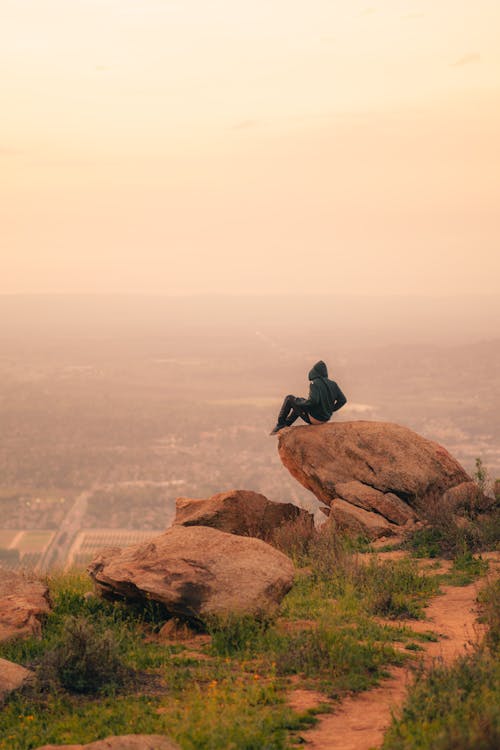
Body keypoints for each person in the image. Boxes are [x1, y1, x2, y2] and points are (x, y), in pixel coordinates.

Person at [270, 360, 347, 435]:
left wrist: (298, 402)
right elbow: (343, 400)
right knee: (301, 402)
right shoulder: (333, 384)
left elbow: (313, 401)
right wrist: (330, 409)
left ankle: (280, 424)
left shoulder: (315, 383)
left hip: (315, 419)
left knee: (289, 398)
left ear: (315, 372)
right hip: (325, 418)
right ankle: (287, 424)